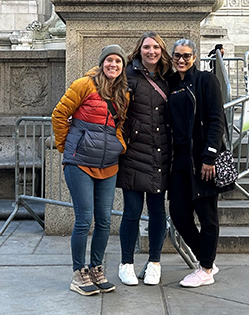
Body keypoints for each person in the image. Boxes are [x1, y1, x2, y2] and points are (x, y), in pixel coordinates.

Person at [52, 45, 129, 296]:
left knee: (104, 220)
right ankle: (78, 272)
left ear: (122, 66)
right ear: (102, 62)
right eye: (109, 60)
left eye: (118, 61)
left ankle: (96, 268)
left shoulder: (122, 94)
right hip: (80, 162)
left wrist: (119, 144)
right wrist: (66, 145)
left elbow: (119, 125)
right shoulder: (83, 85)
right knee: (84, 219)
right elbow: (59, 114)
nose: (113, 65)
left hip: (108, 164)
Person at [168, 38, 234, 288]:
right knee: (179, 213)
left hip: (203, 159)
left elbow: (217, 120)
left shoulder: (206, 81)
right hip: (180, 158)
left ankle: (205, 268)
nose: (181, 60)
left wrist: (210, 157)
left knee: (207, 215)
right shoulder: (173, 83)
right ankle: (206, 259)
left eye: (186, 56)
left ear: (194, 57)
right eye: (177, 56)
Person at [117, 31, 173, 286]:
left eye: (156, 47)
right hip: (133, 153)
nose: (151, 52)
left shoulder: (169, 77)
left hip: (161, 152)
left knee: (158, 210)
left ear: (162, 51)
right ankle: (126, 263)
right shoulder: (127, 74)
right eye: (147, 47)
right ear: (139, 50)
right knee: (131, 211)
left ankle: (154, 262)